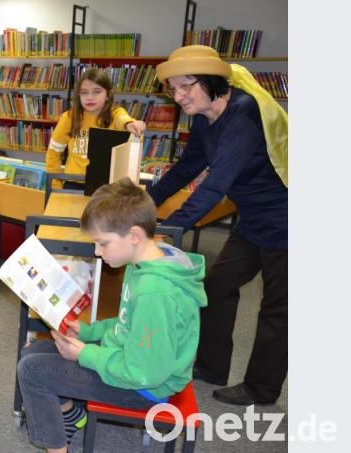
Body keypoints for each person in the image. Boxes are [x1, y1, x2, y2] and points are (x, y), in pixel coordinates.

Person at [17, 178, 206, 452]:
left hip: (144, 389)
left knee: (32, 371)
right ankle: (71, 416)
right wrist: (87, 332)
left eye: (103, 243)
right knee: (33, 352)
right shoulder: (145, 262)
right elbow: (127, 324)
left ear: (134, 235)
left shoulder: (155, 292)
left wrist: (84, 354)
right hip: (128, 361)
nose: (97, 252)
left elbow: (145, 373)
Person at [148, 45, 288, 406]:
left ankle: (261, 388)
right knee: (217, 286)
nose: (178, 96)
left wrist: (167, 230)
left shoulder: (243, 114)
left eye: (186, 86)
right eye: (173, 89)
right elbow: (187, 167)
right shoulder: (203, 116)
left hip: (288, 221)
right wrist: (147, 202)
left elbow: (215, 185)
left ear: (211, 81)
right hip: (254, 219)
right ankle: (212, 367)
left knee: (277, 309)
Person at [46, 68, 147, 189]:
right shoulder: (69, 117)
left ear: (108, 95)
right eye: (84, 92)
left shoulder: (115, 113)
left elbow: (123, 119)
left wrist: (130, 124)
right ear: (78, 95)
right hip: (74, 182)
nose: (89, 97)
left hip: (106, 185)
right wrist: (55, 185)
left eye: (97, 92)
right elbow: (53, 153)